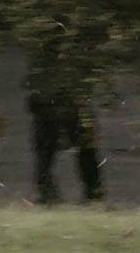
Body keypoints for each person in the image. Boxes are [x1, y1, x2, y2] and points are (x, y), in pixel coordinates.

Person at [25, 45, 104, 205]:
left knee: (82, 147)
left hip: (62, 99)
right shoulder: (47, 53)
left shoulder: (52, 52)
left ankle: (91, 194)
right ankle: (53, 195)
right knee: (48, 151)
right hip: (51, 101)